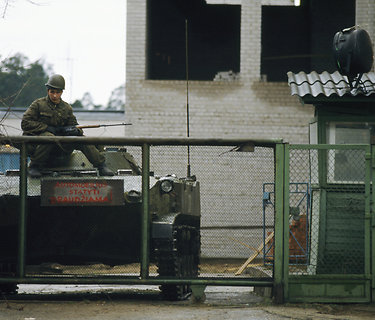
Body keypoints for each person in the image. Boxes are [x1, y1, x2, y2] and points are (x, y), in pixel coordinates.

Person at [21, 74, 114, 178]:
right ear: (48, 91)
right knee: (49, 137)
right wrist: (46, 128)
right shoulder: (38, 105)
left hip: (61, 146)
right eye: (52, 92)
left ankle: (101, 166)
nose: (55, 95)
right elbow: (25, 123)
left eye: (58, 92)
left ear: (62, 92)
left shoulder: (66, 108)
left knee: (82, 140)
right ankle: (35, 167)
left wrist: (75, 131)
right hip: (40, 143)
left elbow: (76, 126)